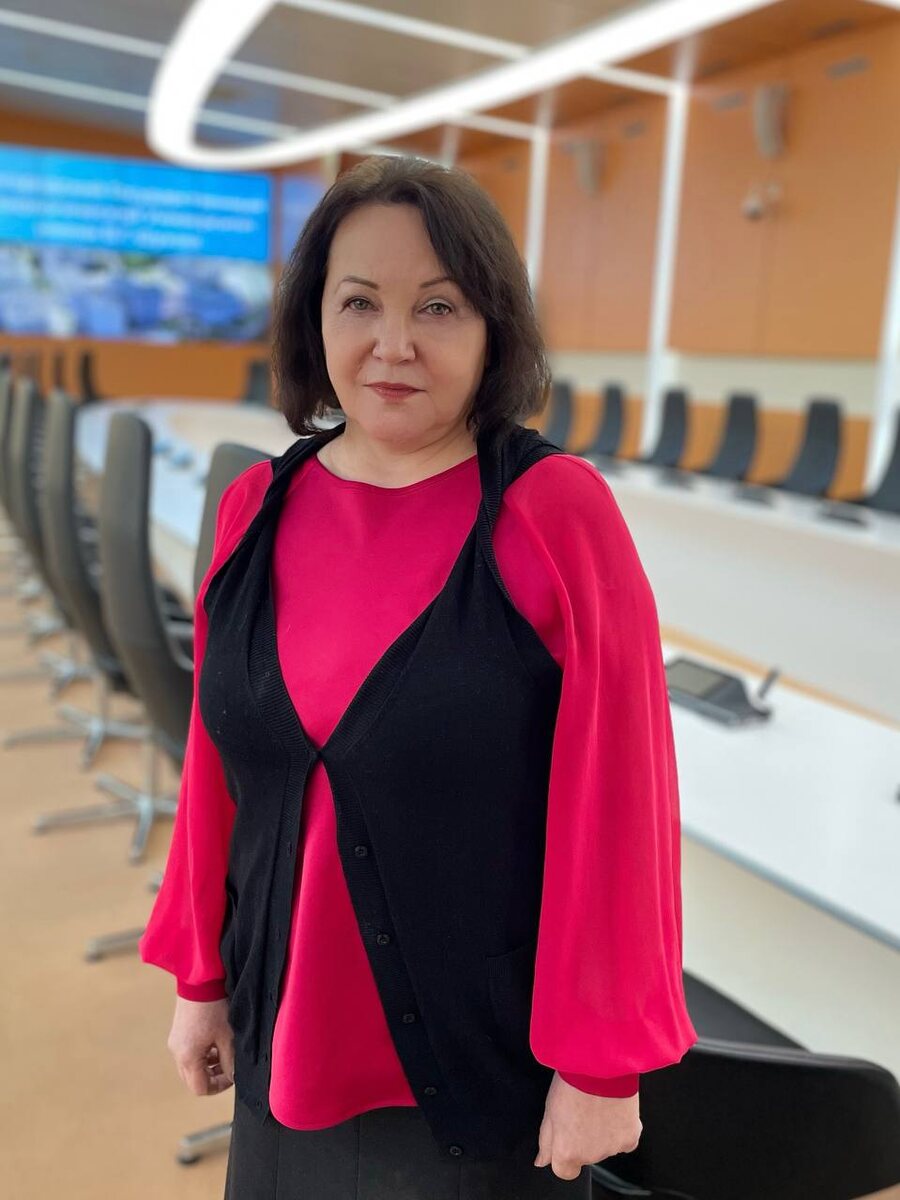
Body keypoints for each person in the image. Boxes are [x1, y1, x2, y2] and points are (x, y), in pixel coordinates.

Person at [138, 154, 698, 1199]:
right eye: (360, 302)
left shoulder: (554, 513)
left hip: (477, 1080)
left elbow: (621, 801)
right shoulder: (255, 508)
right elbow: (219, 773)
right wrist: (200, 978)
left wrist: (600, 1065)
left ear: (493, 331)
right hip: (276, 1043)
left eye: (438, 307)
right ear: (315, 319)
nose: (393, 344)